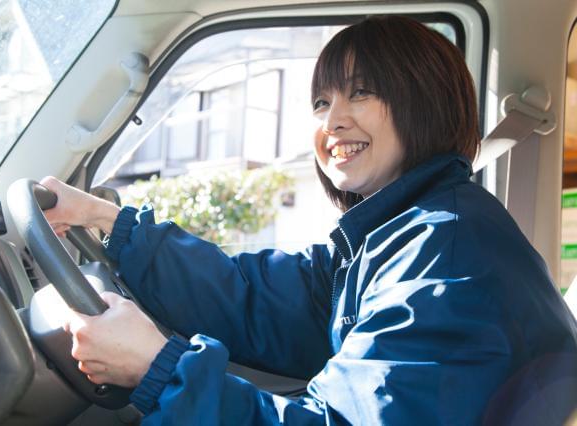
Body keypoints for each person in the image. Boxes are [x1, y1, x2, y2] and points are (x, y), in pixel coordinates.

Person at [42, 15, 577, 425]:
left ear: (427, 100)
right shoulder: (395, 235)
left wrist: (158, 368)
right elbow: (251, 296)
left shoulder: (448, 257)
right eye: (322, 101)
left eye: (362, 91)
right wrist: (108, 220)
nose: (332, 121)